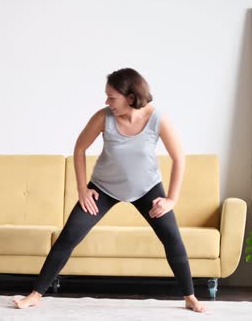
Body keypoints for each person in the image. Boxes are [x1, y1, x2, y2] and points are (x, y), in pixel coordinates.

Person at [14, 68, 205, 313]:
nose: (107, 102)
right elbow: (80, 148)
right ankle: (35, 294)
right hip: (103, 188)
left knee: (172, 238)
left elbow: (179, 158)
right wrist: (82, 189)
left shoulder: (158, 119)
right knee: (69, 235)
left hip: (147, 189)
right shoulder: (103, 118)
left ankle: (190, 297)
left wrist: (171, 199)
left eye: (112, 97)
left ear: (131, 97)